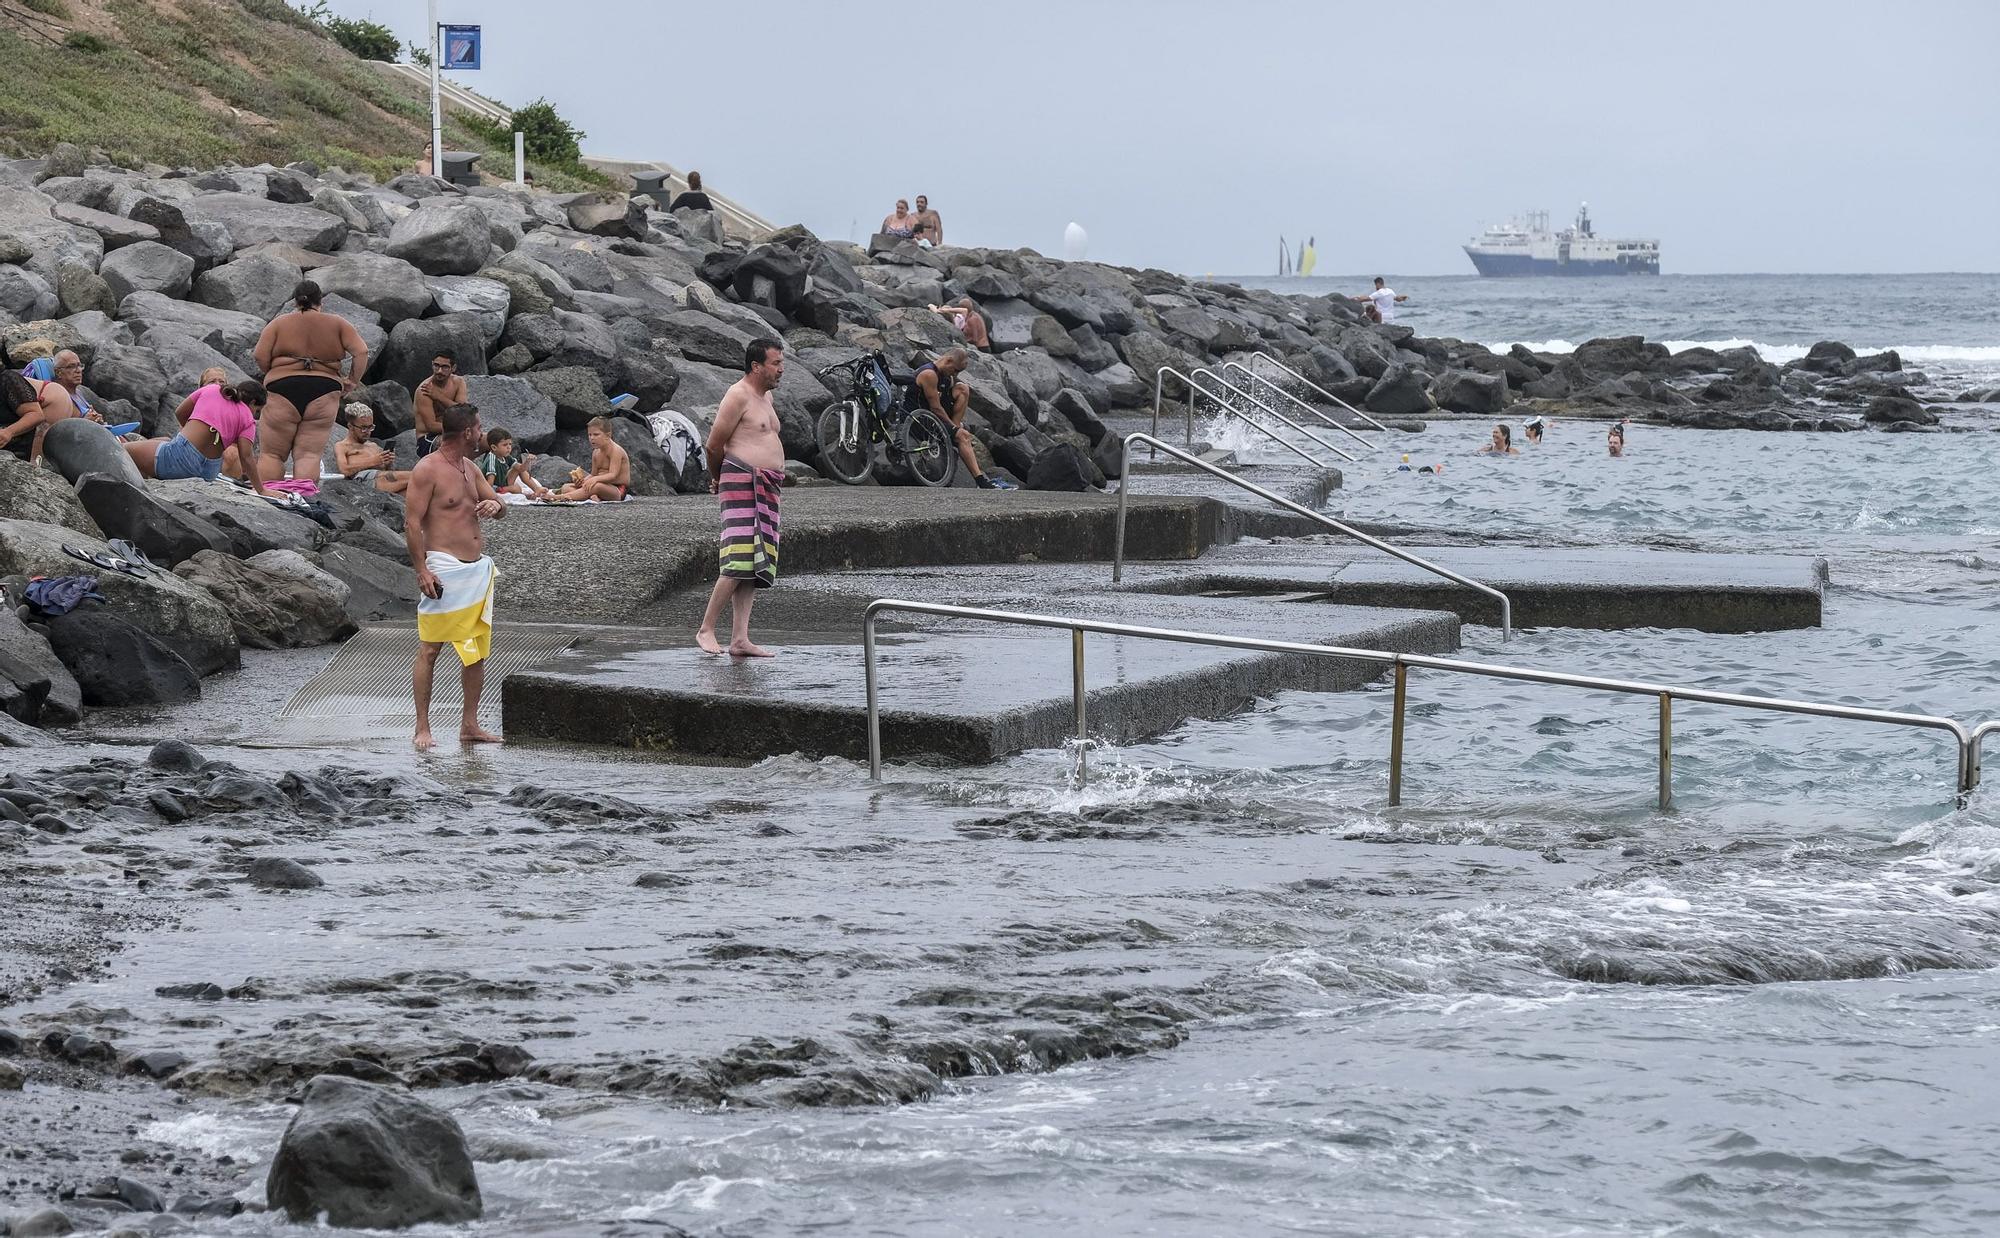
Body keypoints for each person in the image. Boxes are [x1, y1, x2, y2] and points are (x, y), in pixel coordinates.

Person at [405, 402, 505, 750]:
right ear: (467, 432)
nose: (482, 433)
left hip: (476, 570)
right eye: (479, 428)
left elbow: (499, 506)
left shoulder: (470, 468)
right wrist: (421, 569)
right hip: (443, 567)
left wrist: (496, 506)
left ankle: (470, 724)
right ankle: (422, 728)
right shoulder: (427, 470)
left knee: (476, 651)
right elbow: (412, 522)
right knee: (431, 648)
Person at [695, 339, 787, 657]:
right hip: (741, 481)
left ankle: (739, 638)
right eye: (776, 363)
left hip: (766, 484)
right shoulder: (737, 395)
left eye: (781, 362)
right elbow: (713, 444)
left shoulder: (767, 396)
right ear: (756, 366)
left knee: (753, 563)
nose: (781, 368)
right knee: (737, 559)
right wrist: (718, 478)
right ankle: (706, 629)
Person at [255, 280, 366, 483]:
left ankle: (268, 500)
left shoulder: (279, 323)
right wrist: (352, 381)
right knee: (309, 455)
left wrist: (274, 372)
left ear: (295, 302)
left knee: (272, 454)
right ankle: (302, 501)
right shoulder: (338, 323)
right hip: (324, 388)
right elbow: (361, 351)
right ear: (320, 300)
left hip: (282, 386)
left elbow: (260, 355)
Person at [126, 379, 271, 493]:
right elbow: (247, 457)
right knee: (163, 440)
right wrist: (261, 490)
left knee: (122, 450)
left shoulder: (213, 389)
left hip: (180, 458)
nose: (254, 414)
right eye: (257, 411)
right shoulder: (248, 419)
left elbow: (180, 413)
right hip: (209, 472)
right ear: (252, 402)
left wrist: (189, 433)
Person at [909, 348, 1013, 489]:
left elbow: (946, 400)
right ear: (948, 361)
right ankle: (981, 481)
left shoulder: (947, 375)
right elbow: (936, 408)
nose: (956, 374)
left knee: (963, 388)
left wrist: (954, 425)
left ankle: (955, 431)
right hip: (920, 419)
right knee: (963, 436)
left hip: (934, 417)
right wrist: (954, 428)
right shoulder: (929, 374)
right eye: (956, 370)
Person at [0, 352, 85, 462]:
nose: (78, 370)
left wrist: (8, 432)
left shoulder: (7, 380)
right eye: (72, 366)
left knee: (36, 460)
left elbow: (35, 415)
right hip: (44, 399)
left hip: (54, 400)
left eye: (79, 366)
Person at [548, 417, 631, 502]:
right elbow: (593, 474)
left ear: (608, 435)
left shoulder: (615, 451)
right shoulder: (596, 452)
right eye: (589, 435)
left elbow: (613, 475)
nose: (591, 438)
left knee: (596, 486)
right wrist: (583, 481)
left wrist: (595, 479)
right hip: (601, 485)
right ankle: (593, 496)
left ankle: (561, 497)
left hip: (617, 489)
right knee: (566, 487)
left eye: (596, 434)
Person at [331, 405, 410, 494]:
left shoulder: (373, 446)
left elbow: (387, 472)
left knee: (414, 490)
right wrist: (373, 461)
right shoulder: (342, 446)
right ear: (350, 426)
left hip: (381, 479)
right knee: (416, 476)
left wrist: (388, 463)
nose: (368, 432)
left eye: (370, 427)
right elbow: (344, 470)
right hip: (363, 481)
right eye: (364, 428)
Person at [411, 351, 467, 459]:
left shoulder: (459, 383)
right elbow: (431, 426)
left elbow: (464, 412)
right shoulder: (424, 390)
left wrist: (439, 397)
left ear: (453, 368)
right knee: (452, 443)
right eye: (436, 366)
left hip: (452, 431)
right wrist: (460, 429)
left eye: (445, 367)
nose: (439, 371)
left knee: (487, 440)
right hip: (427, 439)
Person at [475, 428, 551, 498]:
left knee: (518, 470)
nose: (508, 447)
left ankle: (536, 489)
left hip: (501, 483)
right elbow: (490, 481)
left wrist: (527, 461)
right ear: (494, 447)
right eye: (505, 445)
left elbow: (521, 469)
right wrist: (490, 494)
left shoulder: (505, 456)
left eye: (510, 444)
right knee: (517, 488)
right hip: (493, 486)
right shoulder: (491, 459)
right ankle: (506, 490)